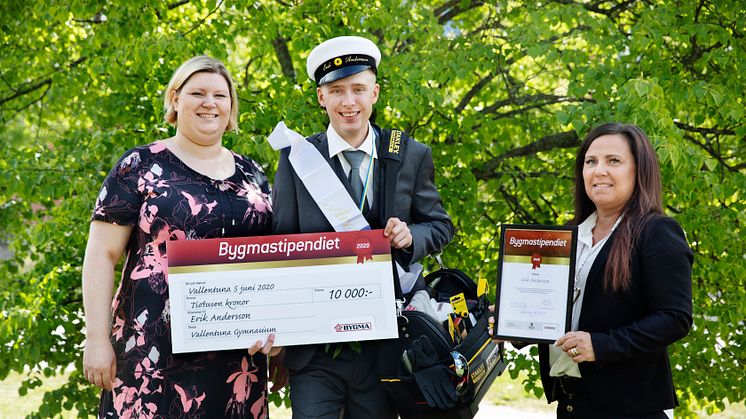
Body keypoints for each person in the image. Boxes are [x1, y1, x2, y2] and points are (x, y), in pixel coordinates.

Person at [82, 55, 283, 418]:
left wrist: (283, 342)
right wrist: (96, 339)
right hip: (152, 351)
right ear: (176, 99)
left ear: (232, 105)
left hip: (236, 358)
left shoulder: (254, 174)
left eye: (221, 96)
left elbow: (270, 261)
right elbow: (101, 256)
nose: (210, 103)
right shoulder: (139, 166)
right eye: (198, 93)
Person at [271, 36, 454, 419]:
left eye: (358, 89)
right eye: (336, 90)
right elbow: (280, 246)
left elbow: (439, 226)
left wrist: (411, 237)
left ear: (375, 92)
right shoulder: (298, 159)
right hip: (316, 348)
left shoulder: (410, 154)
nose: (348, 102)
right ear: (321, 98)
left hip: (387, 344)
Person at [491, 123, 693, 418]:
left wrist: (601, 345)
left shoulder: (657, 232)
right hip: (571, 404)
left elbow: (674, 318)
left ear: (639, 170)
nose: (599, 170)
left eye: (614, 161)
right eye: (590, 161)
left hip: (628, 409)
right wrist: (515, 325)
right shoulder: (567, 237)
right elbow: (559, 313)